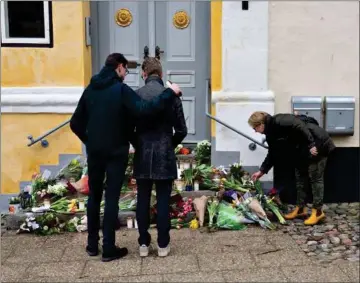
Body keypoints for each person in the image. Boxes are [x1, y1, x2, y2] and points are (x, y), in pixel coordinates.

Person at [69, 53, 182, 262]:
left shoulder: (90, 90)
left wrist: (90, 141)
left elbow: (75, 123)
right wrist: (170, 93)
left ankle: (92, 245)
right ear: (119, 67)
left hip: (95, 152)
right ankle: (109, 247)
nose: (125, 75)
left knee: (94, 196)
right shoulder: (121, 90)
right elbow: (144, 109)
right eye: (125, 70)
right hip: (115, 152)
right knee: (111, 198)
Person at [131, 57, 187, 257]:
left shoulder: (136, 95)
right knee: (163, 200)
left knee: (143, 200)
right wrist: (169, 146)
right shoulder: (171, 96)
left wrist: (138, 144)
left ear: (144, 74)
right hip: (164, 153)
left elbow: (129, 129)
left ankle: (143, 244)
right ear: (161, 75)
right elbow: (181, 130)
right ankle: (163, 244)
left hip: (143, 153)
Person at [248, 111, 335, 225]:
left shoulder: (279, 120)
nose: (255, 131)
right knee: (300, 177)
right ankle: (300, 209)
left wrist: (311, 145)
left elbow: (299, 125)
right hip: (301, 150)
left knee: (315, 177)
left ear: (261, 124)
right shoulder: (271, 134)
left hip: (318, 143)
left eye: (255, 128)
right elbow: (273, 153)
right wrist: (262, 171)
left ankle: (318, 212)